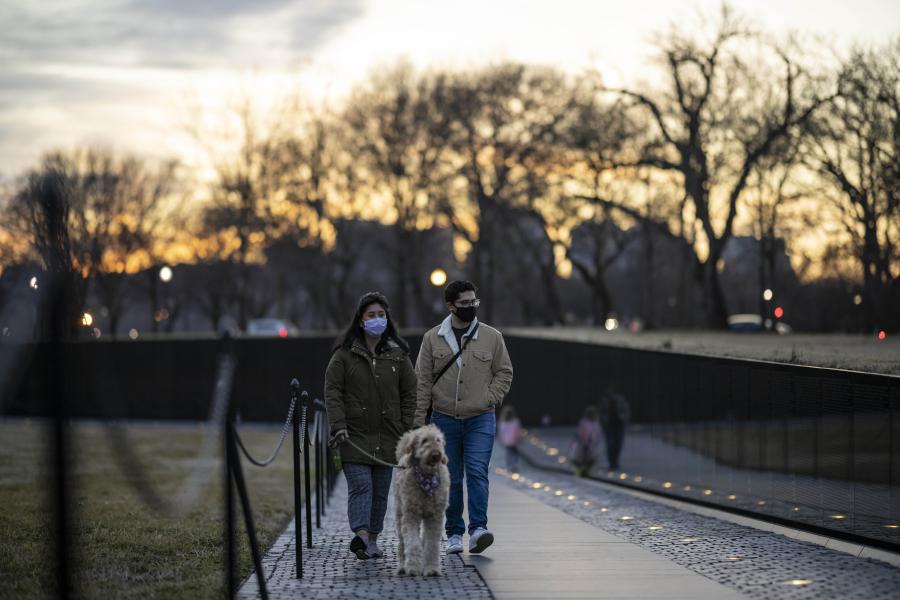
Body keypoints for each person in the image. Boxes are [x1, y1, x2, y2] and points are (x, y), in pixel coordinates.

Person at [414, 280, 513, 555]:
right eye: (465, 303)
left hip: (481, 417)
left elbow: (504, 372)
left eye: (474, 302)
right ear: (451, 306)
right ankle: (454, 532)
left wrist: (489, 398)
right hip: (444, 418)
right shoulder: (432, 338)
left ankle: (479, 528)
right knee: (452, 477)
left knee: (478, 472)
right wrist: (418, 421)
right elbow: (422, 382)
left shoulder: (492, 337)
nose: (471, 307)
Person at [325, 291, 417, 560]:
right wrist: (338, 425)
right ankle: (362, 536)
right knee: (361, 486)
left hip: (390, 436)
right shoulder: (343, 356)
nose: (377, 319)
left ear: (387, 318)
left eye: (381, 315)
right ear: (360, 320)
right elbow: (332, 391)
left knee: (380, 493)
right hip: (353, 435)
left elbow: (411, 392)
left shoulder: (399, 356)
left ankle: (372, 539)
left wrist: (405, 425)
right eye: (371, 315)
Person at [599, 382, 630, 470]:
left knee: (618, 444)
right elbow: (601, 413)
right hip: (609, 426)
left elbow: (626, 410)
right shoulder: (605, 401)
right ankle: (611, 462)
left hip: (619, 425)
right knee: (610, 444)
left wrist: (624, 419)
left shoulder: (620, 400)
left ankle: (615, 461)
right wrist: (603, 423)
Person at [569, 405, 602, 477]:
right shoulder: (583, 422)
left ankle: (587, 470)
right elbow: (581, 433)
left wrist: (595, 442)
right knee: (579, 458)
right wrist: (584, 442)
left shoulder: (596, 423)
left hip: (591, 445)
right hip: (581, 444)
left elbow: (598, 433)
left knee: (591, 458)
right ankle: (580, 470)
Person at [498, 405, 524, 472]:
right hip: (514, 440)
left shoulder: (502, 423)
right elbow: (518, 431)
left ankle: (510, 466)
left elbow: (501, 432)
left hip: (507, 441)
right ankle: (514, 465)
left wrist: (502, 440)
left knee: (509, 453)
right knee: (515, 453)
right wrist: (520, 438)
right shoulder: (516, 422)